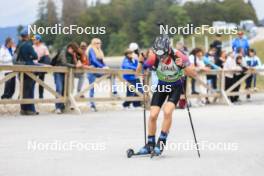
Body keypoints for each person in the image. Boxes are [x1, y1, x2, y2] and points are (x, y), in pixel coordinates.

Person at [136, 35, 196, 155]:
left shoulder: (180, 55)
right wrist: (141, 61)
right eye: (159, 56)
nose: (161, 58)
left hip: (176, 86)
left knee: (167, 111)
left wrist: (183, 66)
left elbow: (193, 74)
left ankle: (161, 143)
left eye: (163, 55)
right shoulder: (154, 56)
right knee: (153, 115)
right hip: (162, 86)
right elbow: (139, 73)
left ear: (168, 50)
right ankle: (150, 144)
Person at [52, 42, 83, 114]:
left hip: (66, 74)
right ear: (70, 48)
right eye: (73, 51)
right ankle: (58, 107)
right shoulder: (63, 51)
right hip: (58, 72)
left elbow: (73, 63)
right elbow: (64, 63)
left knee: (64, 90)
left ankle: (62, 106)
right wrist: (75, 66)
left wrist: (77, 63)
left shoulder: (72, 54)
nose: (74, 52)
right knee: (59, 89)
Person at [15, 29, 38, 115]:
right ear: (27, 36)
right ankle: (30, 110)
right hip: (28, 68)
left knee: (23, 89)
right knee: (29, 89)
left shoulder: (19, 45)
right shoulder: (28, 45)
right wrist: (30, 57)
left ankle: (23, 109)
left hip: (20, 68)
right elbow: (35, 56)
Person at [86, 38, 108, 112]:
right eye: (97, 43)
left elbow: (101, 61)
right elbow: (93, 60)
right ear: (93, 43)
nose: (98, 44)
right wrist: (102, 67)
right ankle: (92, 105)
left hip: (97, 70)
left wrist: (105, 66)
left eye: (99, 43)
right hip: (91, 71)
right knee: (92, 88)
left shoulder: (99, 51)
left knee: (111, 75)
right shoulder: (91, 50)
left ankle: (114, 92)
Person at [33, 34, 50, 99]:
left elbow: (47, 56)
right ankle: (31, 96)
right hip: (33, 66)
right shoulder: (32, 47)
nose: (33, 40)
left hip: (41, 66)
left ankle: (41, 96)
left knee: (41, 82)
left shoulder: (44, 47)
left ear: (38, 40)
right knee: (32, 82)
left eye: (34, 39)